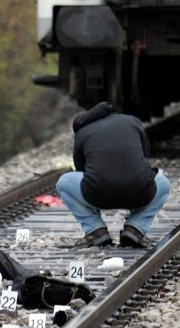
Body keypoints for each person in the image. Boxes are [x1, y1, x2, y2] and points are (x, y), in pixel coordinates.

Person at [56, 101, 171, 248]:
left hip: (98, 195)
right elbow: (145, 157)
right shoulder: (133, 122)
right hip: (140, 193)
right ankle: (135, 228)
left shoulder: (82, 132)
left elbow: (81, 170)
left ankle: (95, 230)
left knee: (64, 183)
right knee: (163, 182)